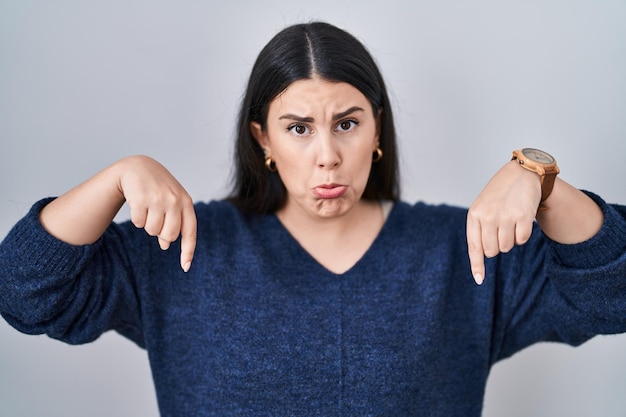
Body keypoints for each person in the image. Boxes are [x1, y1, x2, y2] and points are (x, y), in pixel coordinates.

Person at [0, 21, 625, 417]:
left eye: (347, 123)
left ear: (377, 129)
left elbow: (613, 296)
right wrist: (118, 175)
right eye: (298, 128)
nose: (327, 154)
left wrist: (541, 181)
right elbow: (25, 292)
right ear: (263, 140)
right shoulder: (182, 249)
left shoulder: (463, 251)